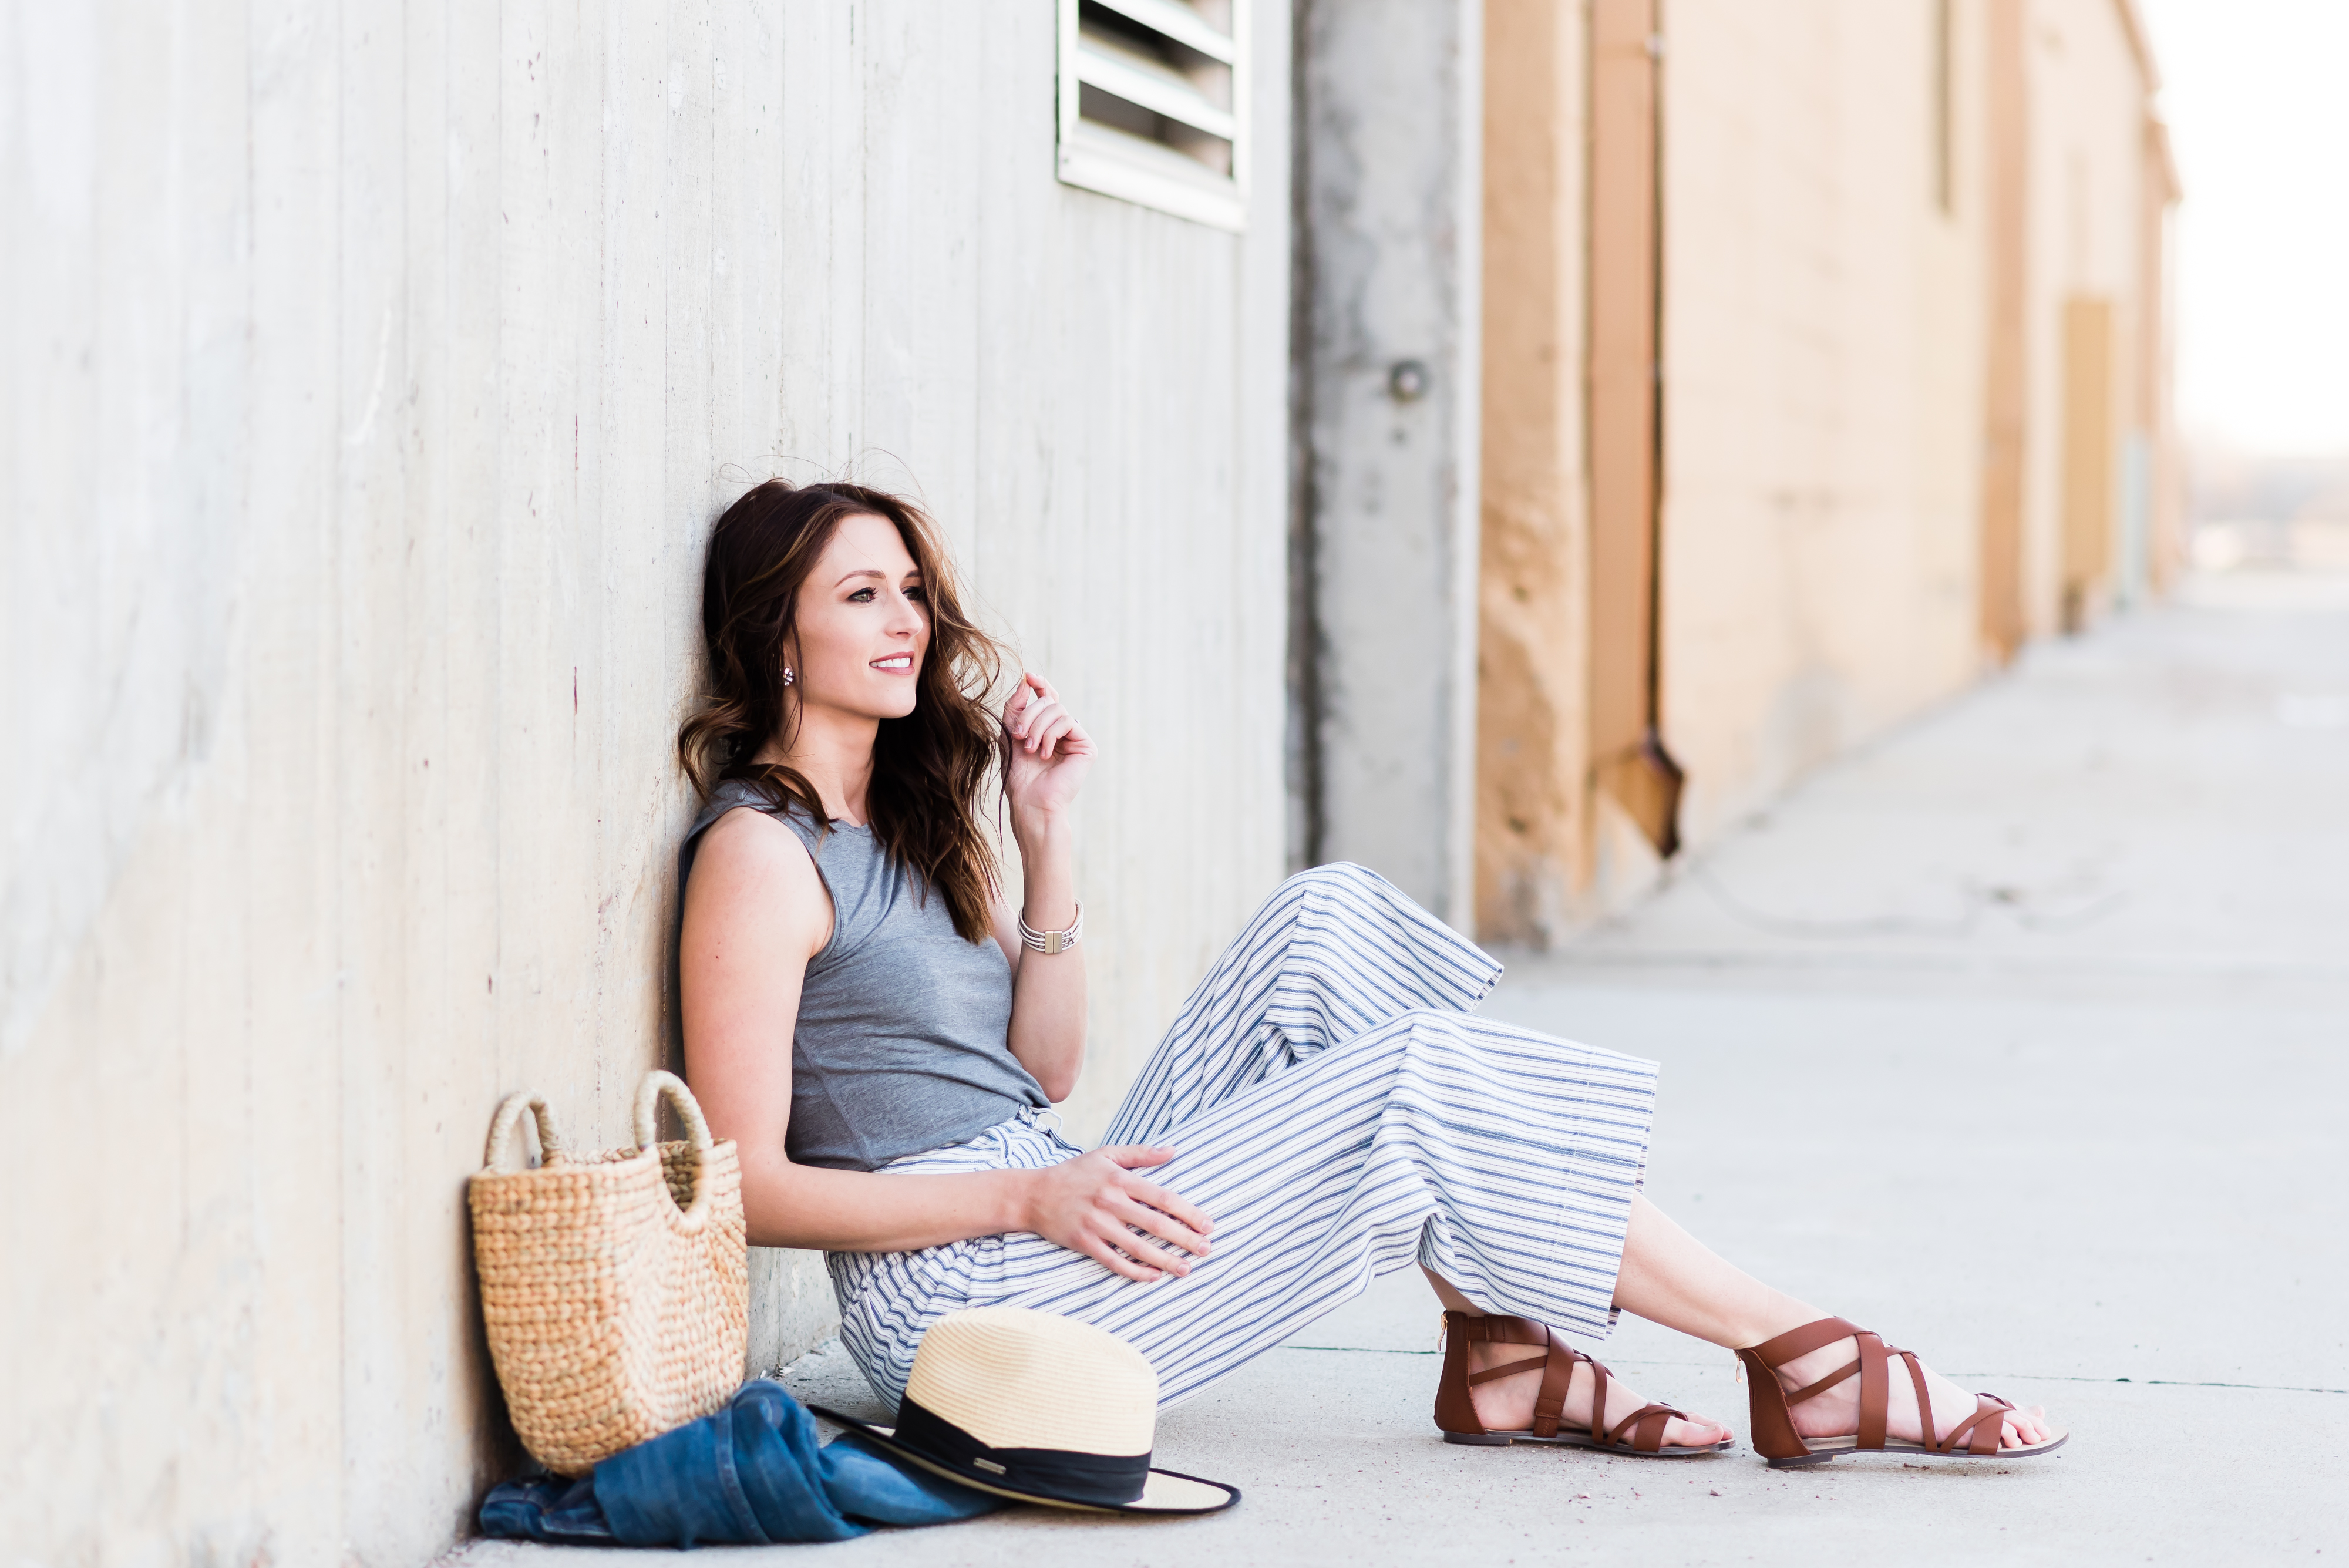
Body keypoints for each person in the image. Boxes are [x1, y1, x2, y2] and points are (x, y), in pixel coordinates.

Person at [675, 480, 2063, 1466]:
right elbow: (747, 1194)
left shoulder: (904, 828)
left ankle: (1503, 1350)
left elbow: (1038, 1074)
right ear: (773, 633)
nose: (907, 618)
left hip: (1041, 1201)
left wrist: (1045, 838)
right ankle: (1799, 1351)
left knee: (1325, 919)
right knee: (1414, 1080)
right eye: (860, 594)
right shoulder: (759, 852)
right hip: (960, 1309)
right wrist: (1031, 1190)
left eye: (911, 588)